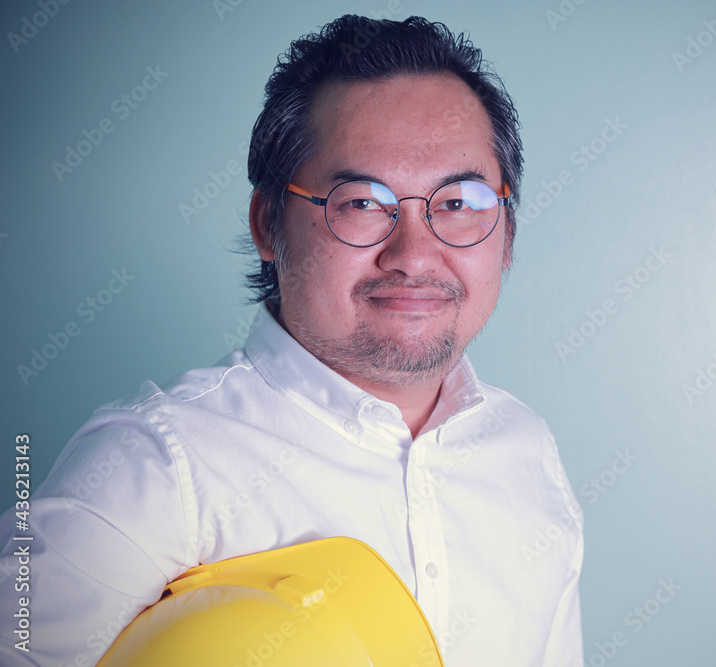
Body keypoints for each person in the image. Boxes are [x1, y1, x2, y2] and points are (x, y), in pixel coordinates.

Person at [0, 15, 583, 666]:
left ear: (506, 230)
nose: (415, 254)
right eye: (361, 201)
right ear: (267, 223)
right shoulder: (160, 464)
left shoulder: (526, 452)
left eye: (459, 201)